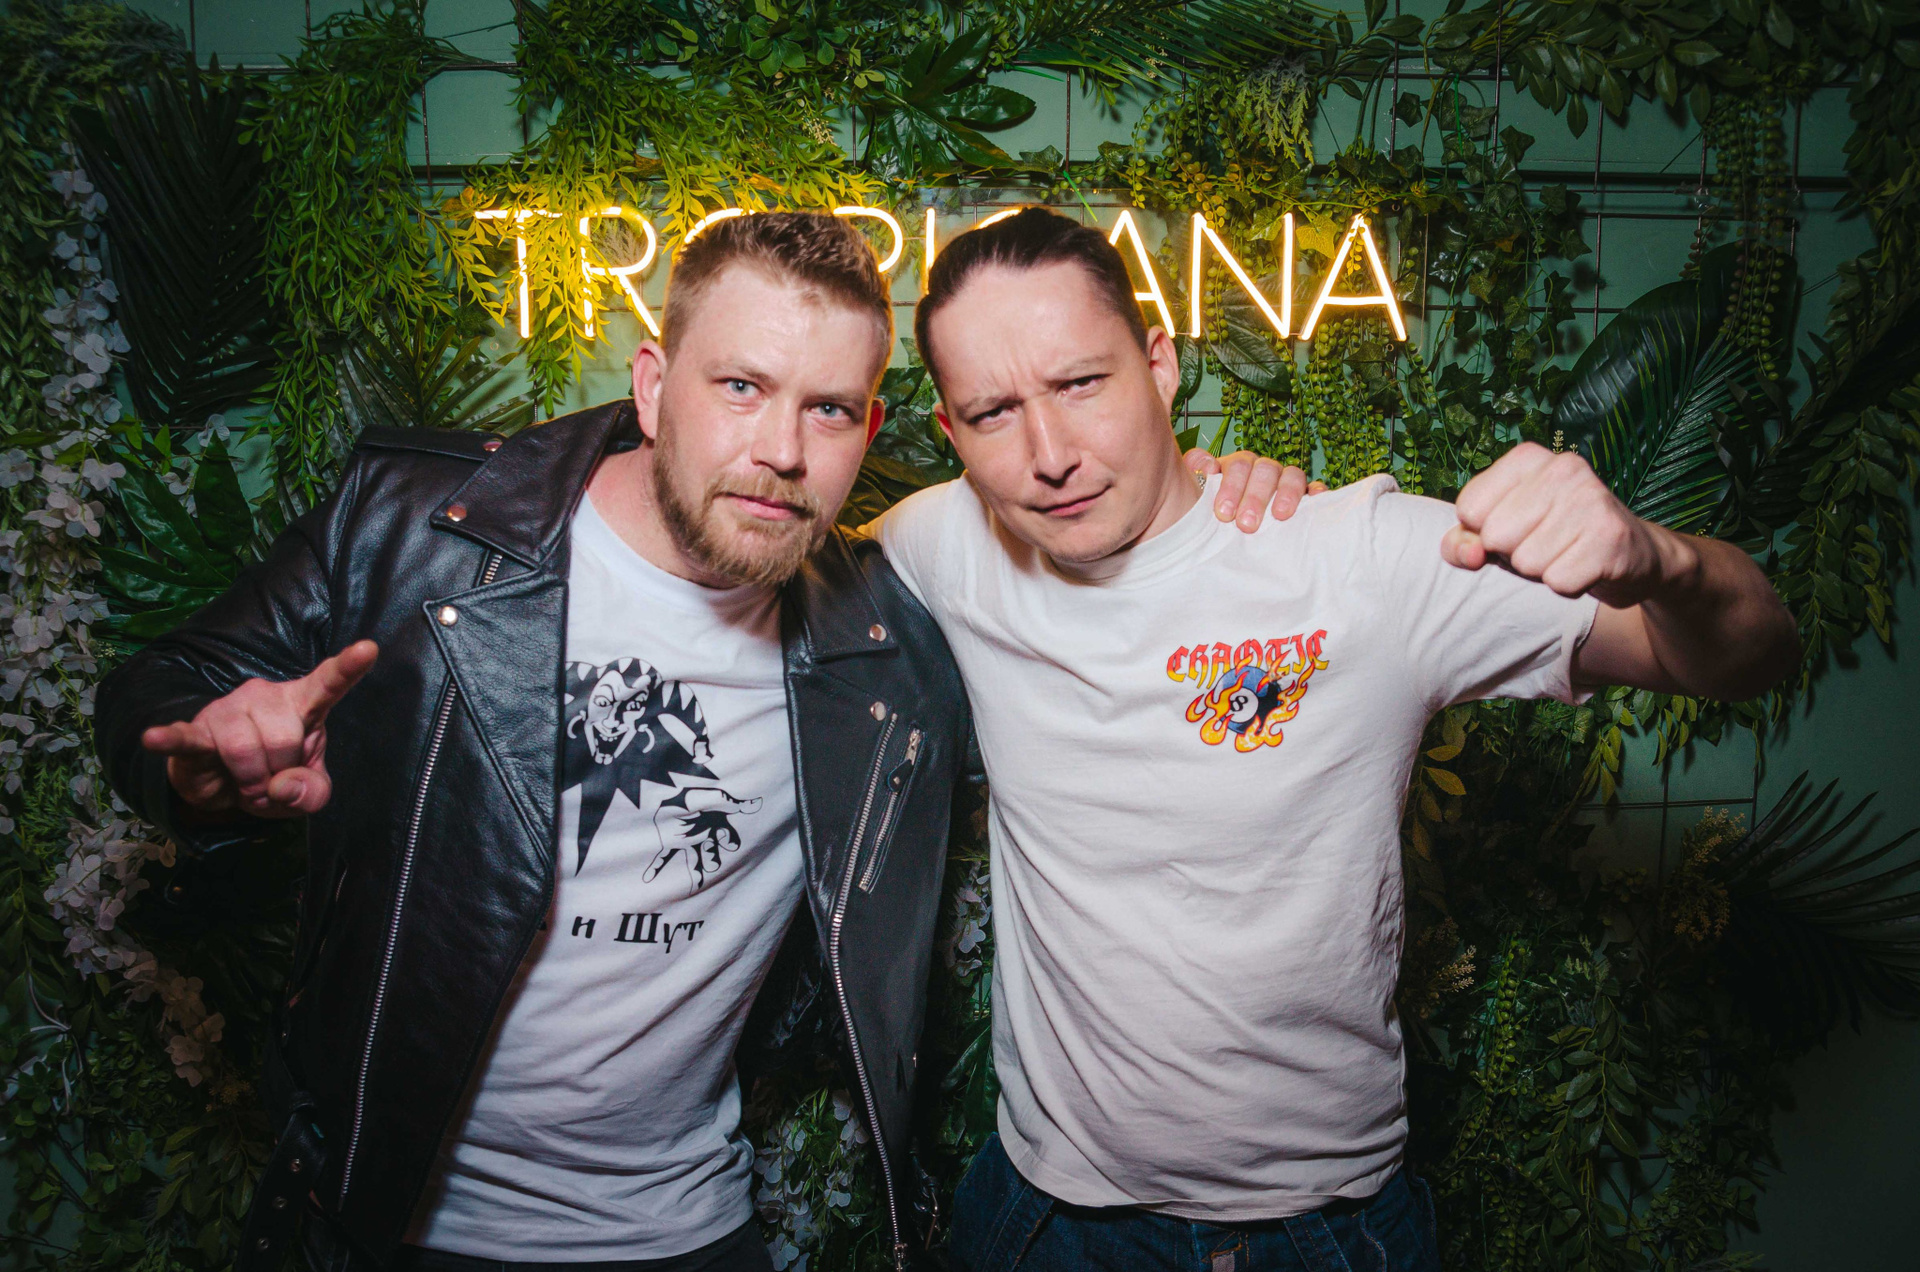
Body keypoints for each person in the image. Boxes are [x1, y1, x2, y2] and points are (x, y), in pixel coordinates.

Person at [93, 211, 1300, 1272]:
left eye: (828, 409)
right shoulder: (422, 527)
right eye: (740, 388)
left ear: (872, 426)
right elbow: (163, 692)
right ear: (653, 384)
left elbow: (1126, 644)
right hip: (382, 1221)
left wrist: (1211, 502)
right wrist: (199, 773)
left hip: (682, 1229)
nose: (782, 449)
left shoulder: (889, 644)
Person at [866, 209, 1801, 1272]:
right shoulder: (947, 543)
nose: (1050, 455)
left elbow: (1751, 652)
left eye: (1081, 384)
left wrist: (1662, 560)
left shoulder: (1361, 560)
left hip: (1319, 1228)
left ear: (1160, 366)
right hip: (1048, 1220)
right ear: (951, 435)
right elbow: (748, 568)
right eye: (994, 412)